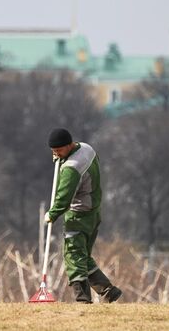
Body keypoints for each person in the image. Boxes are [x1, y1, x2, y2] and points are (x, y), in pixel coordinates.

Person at [44, 128, 122, 303]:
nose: (56, 154)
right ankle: (108, 291)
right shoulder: (87, 149)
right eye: (53, 151)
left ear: (70, 145)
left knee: (73, 256)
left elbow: (64, 197)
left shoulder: (71, 168)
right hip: (93, 212)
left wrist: (52, 213)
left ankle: (82, 299)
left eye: (59, 150)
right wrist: (61, 157)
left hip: (78, 215)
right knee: (83, 256)